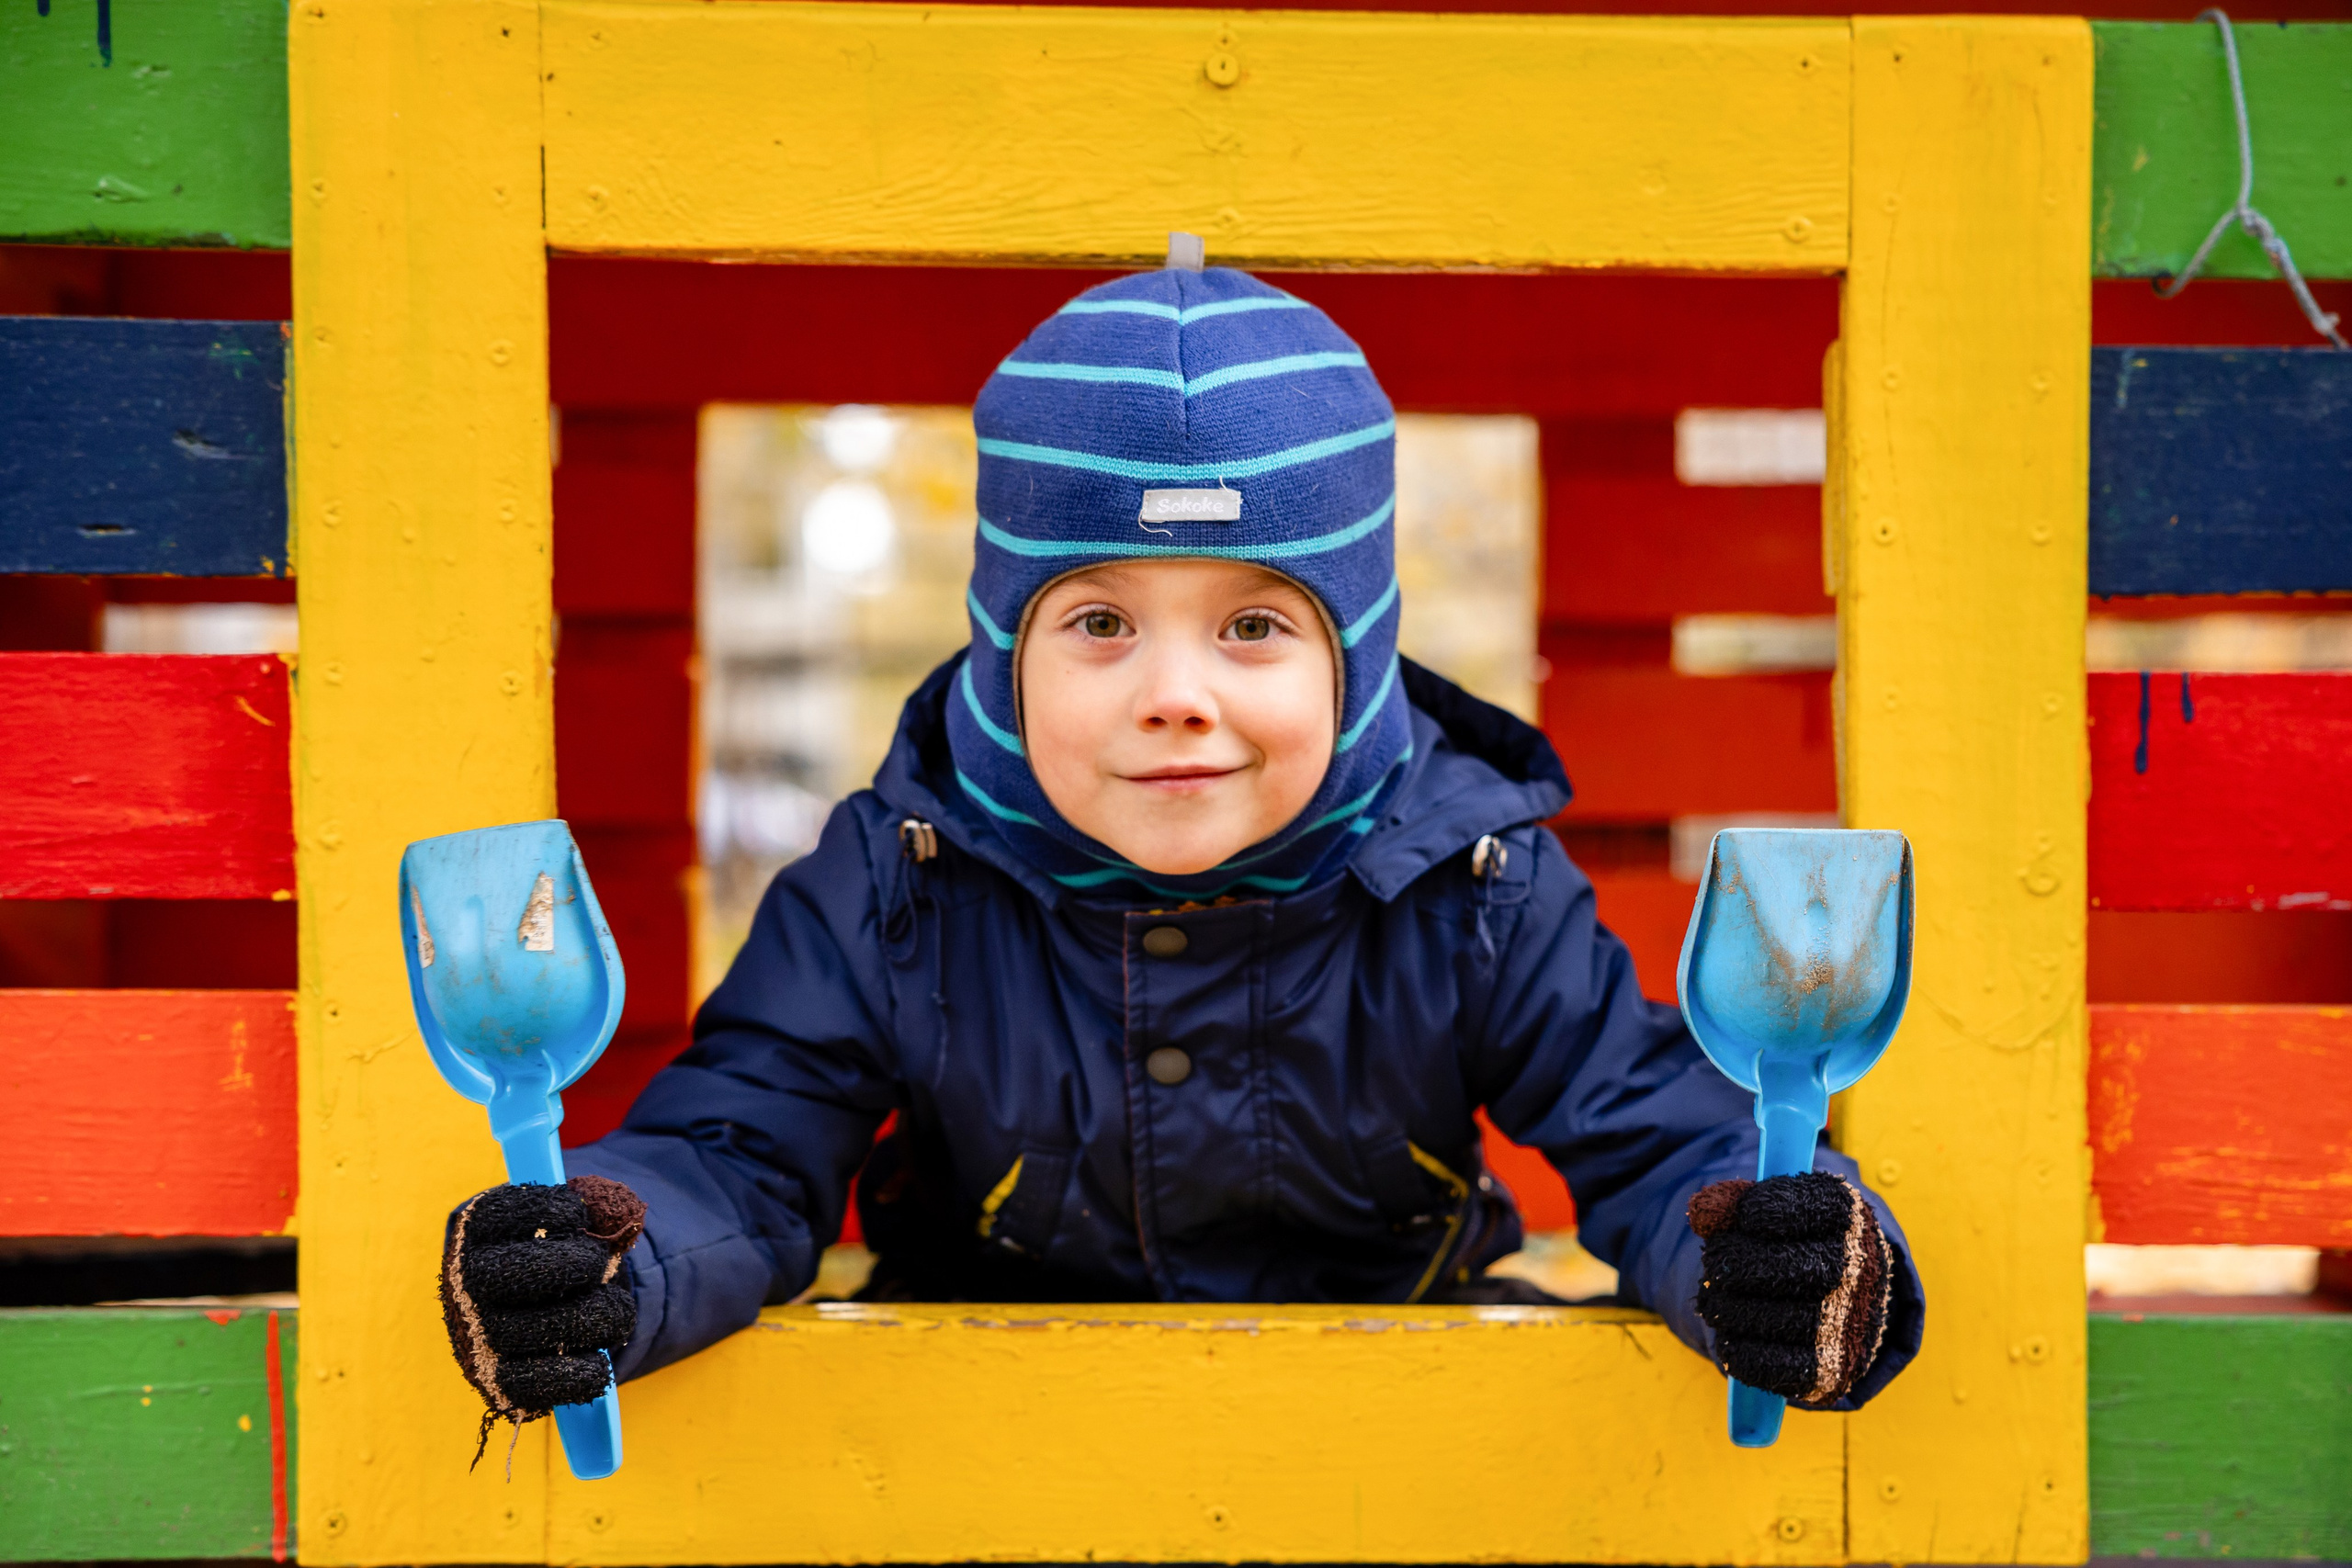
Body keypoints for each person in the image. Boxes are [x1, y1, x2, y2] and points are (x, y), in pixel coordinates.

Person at [436, 263, 1923, 1447]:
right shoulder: (899, 881)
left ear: (1360, 657)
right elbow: (739, 1150)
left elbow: (1659, 1138)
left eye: (1256, 626)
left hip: (1392, 1459)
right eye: (1097, 623)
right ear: (1002, 653)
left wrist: (1762, 1258)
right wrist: (612, 1271)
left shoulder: (1471, 885)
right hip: (981, 1452)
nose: (1175, 691)